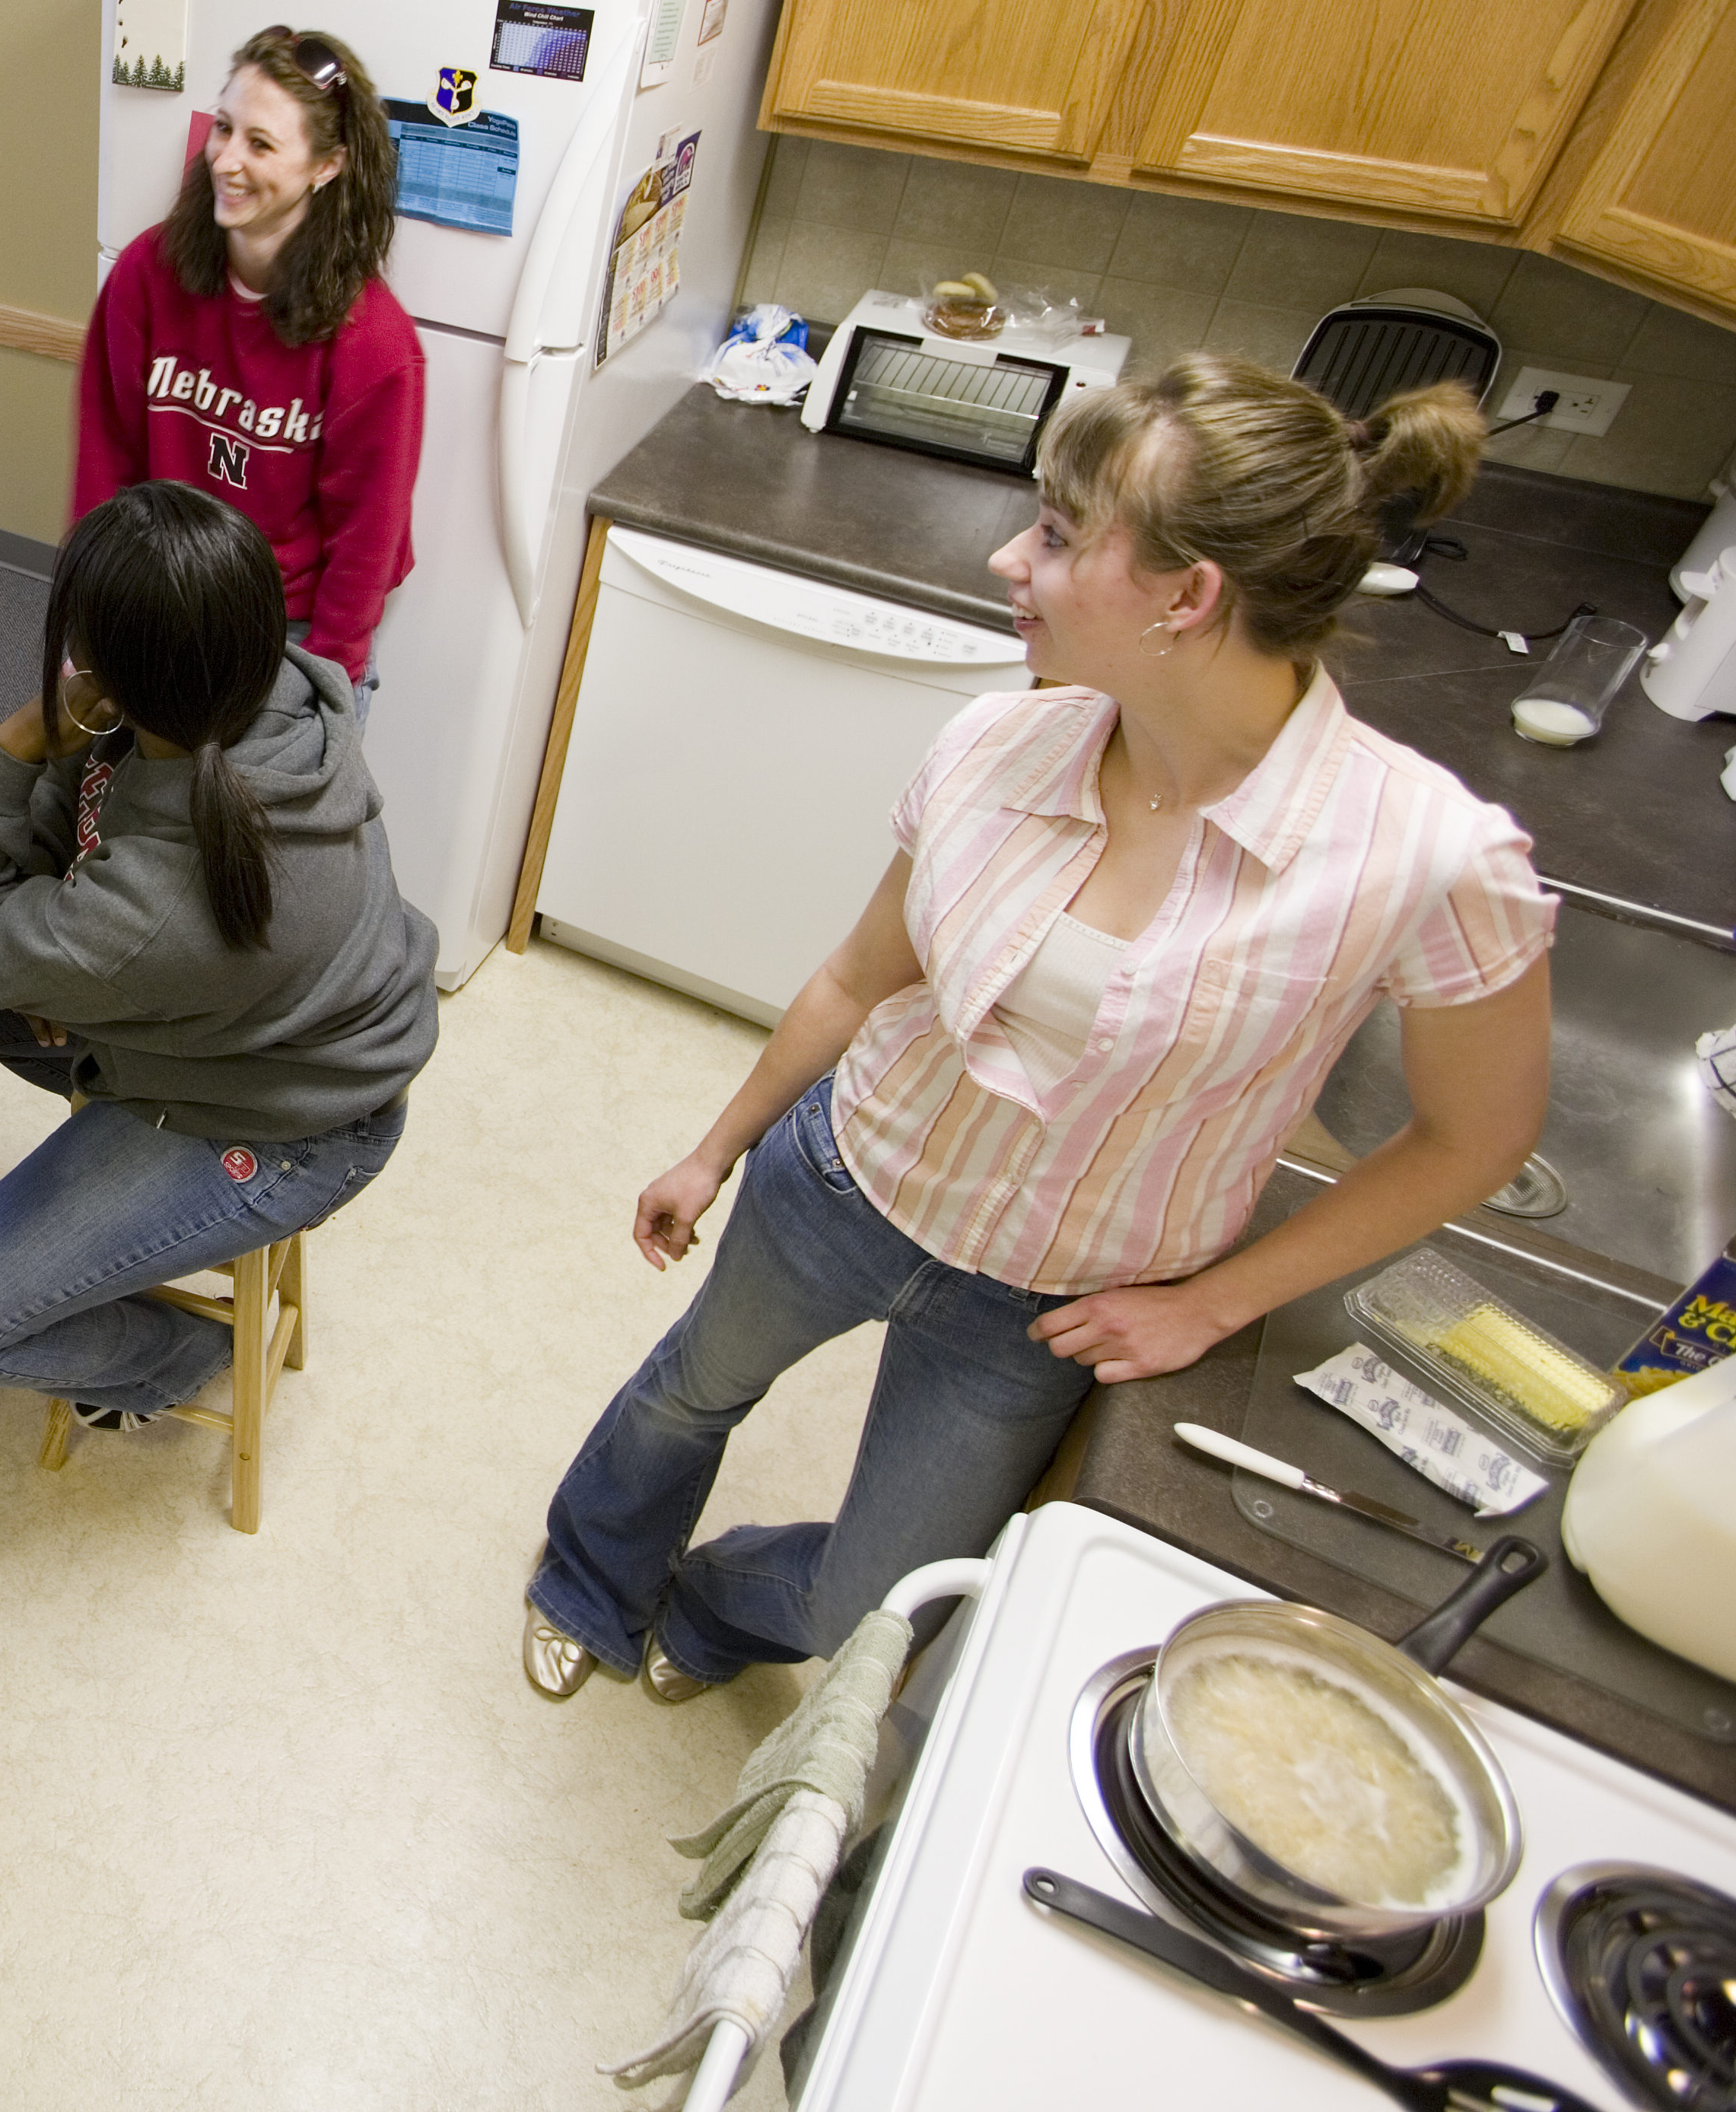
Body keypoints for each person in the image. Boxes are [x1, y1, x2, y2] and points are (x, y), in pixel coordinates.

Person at [521, 357, 1551, 1704]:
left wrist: (1218, 1299)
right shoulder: (995, 743)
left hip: (1051, 1307)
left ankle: (714, 1607)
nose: (1012, 556)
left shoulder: (1424, 854)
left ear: (1188, 598)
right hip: (847, 1177)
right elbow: (855, 974)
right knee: (685, 1392)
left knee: (873, 1603)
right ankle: (589, 1580)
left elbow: (1473, 1139)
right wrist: (715, 1150)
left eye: (1061, 535)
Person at [0, 482, 437, 1427]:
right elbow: (69, 831)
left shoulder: (155, 907)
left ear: (110, 680)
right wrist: (68, 951)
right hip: (275, 1030)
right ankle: (92, 1017)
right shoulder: (275, 686)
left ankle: (180, 1362)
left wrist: (21, 736)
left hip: (294, 1128)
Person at [74, 24, 423, 695]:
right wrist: (90, 621)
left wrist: (324, 692)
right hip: (157, 587)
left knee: (251, 799)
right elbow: (106, 453)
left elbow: (365, 546)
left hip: (285, 628)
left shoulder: (374, 344)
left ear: (328, 166)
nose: (226, 160)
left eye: (260, 144)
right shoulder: (149, 273)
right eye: (223, 128)